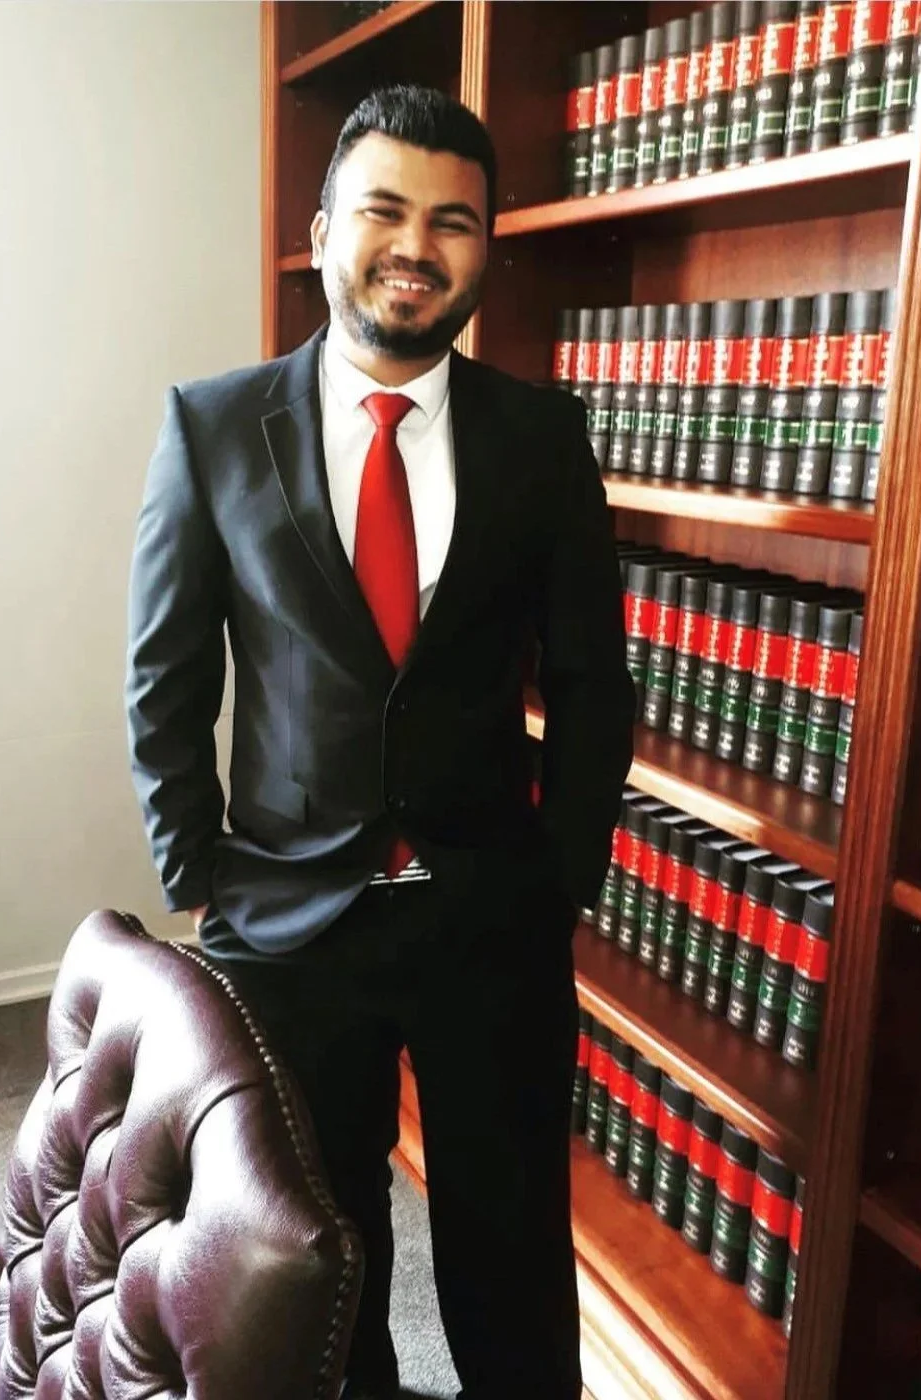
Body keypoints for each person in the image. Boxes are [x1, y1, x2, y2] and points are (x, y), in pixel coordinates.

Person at [126, 84, 635, 1400]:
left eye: (453, 221)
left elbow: (590, 683)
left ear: (485, 250)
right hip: (287, 915)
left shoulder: (543, 438)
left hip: (489, 915)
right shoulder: (214, 425)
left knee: (511, 1241)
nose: (417, 245)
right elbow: (167, 676)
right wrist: (198, 872)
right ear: (323, 228)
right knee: (315, 1242)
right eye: (386, 210)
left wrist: (557, 883)